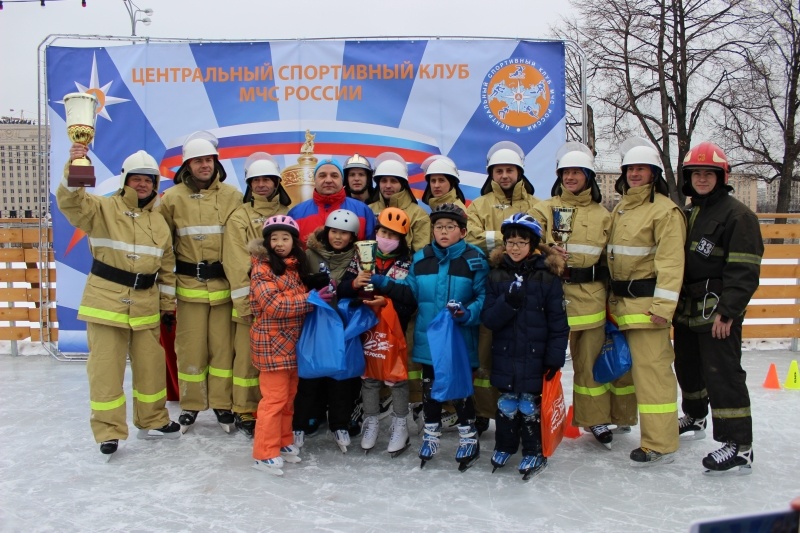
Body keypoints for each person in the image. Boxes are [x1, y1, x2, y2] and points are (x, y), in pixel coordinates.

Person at [57, 144, 180, 456]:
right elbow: (71, 201)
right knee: (106, 372)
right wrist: (77, 165)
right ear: (125, 180)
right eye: (136, 179)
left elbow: (166, 269)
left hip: (146, 305)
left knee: (151, 368)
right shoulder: (101, 210)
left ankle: (152, 418)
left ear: (156, 185)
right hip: (105, 304)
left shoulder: (159, 223)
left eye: (148, 180)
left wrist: (167, 307)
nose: (142, 184)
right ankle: (108, 431)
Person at [532, 143, 637, 449]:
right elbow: (524, 240)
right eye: (566, 172)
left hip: (590, 298)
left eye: (577, 172)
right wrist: (547, 250)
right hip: (550, 298)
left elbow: (611, 259)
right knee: (540, 363)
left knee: (589, 364)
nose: (571, 177)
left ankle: (595, 418)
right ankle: (535, 414)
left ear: (589, 176)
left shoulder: (604, 215)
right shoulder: (544, 208)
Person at [373, 203, 488, 470]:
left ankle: (469, 437)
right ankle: (431, 434)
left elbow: (484, 296)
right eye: (439, 227)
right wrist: (383, 283)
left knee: (460, 391)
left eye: (450, 227)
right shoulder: (422, 258)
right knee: (431, 389)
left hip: (459, 339)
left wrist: (467, 313)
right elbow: (410, 291)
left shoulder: (475, 258)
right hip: (429, 339)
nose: (443, 231)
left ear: (463, 231)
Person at [672, 142, 763, 474]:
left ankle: (739, 445)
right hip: (687, 308)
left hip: (717, 312)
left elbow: (744, 270)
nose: (702, 179)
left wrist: (729, 311)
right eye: (696, 173)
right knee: (688, 367)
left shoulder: (739, 216)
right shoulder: (689, 212)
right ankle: (695, 417)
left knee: (723, 374)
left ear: (722, 177)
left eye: (708, 173)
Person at [607, 139, 686, 465]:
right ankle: (629, 422)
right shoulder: (622, 207)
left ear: (654, 173)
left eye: (641, 169)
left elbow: (671, 264)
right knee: (625, 372)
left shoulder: (665, 211)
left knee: (653, 376)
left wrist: (662, 309)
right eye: (630, 169)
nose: (635, 174)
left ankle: (660, 443)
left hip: (648, 307)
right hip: (620, 305)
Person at [158, 131, 242, 433]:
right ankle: (191, 405)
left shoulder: (233, 195)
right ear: (187, 166)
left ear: (215, 162)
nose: (204, 165)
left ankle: (222, 404)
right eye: (197, 161)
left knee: (222, 350)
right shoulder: (171, 198)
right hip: (188, 287)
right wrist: (166, 297)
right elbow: (163, 246)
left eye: (208, 160)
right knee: (190, 349)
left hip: (222, 288)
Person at [481, 213, 568, 478]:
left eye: (521, 242)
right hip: (506, 353)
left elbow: (558, 322)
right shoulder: (497, 275)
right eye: (510, 242)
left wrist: (554, 358)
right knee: (507, 403)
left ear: (532, 245)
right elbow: (489, 319)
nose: (515, 247)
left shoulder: (547, 278)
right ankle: (505, 445)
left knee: (529, 404)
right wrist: (508, 302)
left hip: (535, 355)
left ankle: (533, 450)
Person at [466, 141, 540, 437]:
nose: (504, 175)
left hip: (527, 286)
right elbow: (472, 239)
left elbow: (541, 239)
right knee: (485, 350)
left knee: (520, 347)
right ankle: (484, 411)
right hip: (490, 283)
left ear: (519, 172)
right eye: (499, 170)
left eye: (510, 170)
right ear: (491, 174)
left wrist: (494, 237)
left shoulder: (536, 204)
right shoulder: (479, 205)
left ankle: (524, 411)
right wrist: (515, 236)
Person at [222, 153, 292, 438]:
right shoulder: (240, 218)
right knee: (248, 360)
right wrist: (245, 304)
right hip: (254, 305)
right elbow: (236, 262)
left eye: (267, 179)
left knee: (282, 362)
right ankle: (244, 409)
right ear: (249, 184)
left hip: (283, 305)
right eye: (256, 180)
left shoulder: (291, 211)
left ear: (276, 182)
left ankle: (281, 410)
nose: (262, 185)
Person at [339, 207, 418, 455]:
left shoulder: (408, 261)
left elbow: (410, 297)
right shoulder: (361, 255)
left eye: (393, 235)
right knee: (369, 377)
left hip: (394, 327)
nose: (387, 238)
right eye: (384, 232)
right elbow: (343, 288)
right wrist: (354, 284)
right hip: (365, 325)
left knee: (396, 377)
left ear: (402, 239)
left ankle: (400, 422)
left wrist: (385, 296)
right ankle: (371, 420)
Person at [249, 215, 316, 476]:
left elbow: (288, 299)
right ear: (266, 242)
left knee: (288, 398)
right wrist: (310, 298)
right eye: (274, 238)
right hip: (270, 345)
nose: (279, 243)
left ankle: (283, 440)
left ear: (293, 241)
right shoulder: (262, 268)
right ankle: (264, 452)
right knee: (274, 400)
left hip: (292, 343)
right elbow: (273, 305)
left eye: (285, 238)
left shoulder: (294, 267)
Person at [294, 208, 361, 452]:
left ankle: (339, 424)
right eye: (334, 231)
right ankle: (299, 424)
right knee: (309, 376)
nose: (338, 237)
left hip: (343, 324)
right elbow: (297, 281)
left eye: (344, 233)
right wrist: (312, 284)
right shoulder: (310, 254)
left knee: (341, 378)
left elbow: (364, 285)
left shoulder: (359, 257)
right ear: (326, 232)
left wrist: (355, 292)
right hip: (315, 323)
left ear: (352, 237)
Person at [288, 158, 376, 245]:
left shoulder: (363, 211)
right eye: (322, 176)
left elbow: (371, 249)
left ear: (342, 180)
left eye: (334, 176)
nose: (328, 180)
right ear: (314, 180)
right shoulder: (296, 214)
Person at [369, 152, 430, 254]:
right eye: (384, 181)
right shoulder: (369, 210)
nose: (388, 185)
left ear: (402, 184)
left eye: (393, 181)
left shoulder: (418, 215)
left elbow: (420, 254)